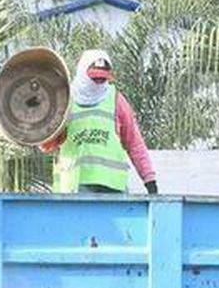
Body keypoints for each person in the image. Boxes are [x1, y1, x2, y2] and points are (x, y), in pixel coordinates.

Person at [40, 49, 158, 194]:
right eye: (94, 78)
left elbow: (134, 143)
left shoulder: (116, 100)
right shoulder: (64, 100)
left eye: (103, 79)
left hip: (112, 187)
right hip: (74, 188)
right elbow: (46, 144)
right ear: (83, 73)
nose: (99, 83)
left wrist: (149, 179)